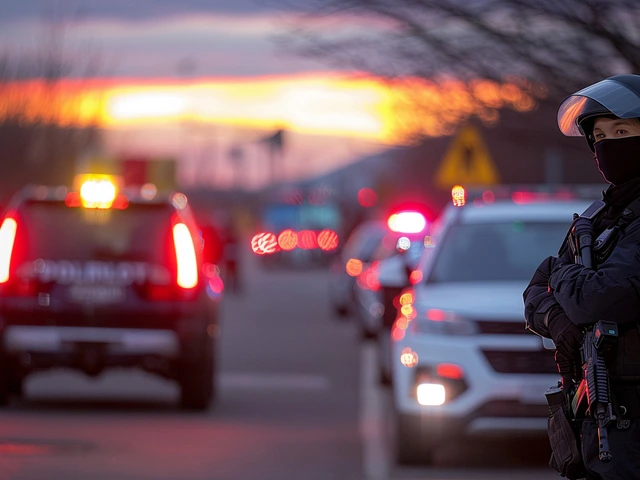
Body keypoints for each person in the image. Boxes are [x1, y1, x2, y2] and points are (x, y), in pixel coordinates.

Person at [524, 74, 640, 479]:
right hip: (600, 420)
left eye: (622, 131)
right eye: (600, 135)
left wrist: (562, 275)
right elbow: (536, 292)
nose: (609, 144)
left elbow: (605, 297)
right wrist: (557, 319)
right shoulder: (599, 219)